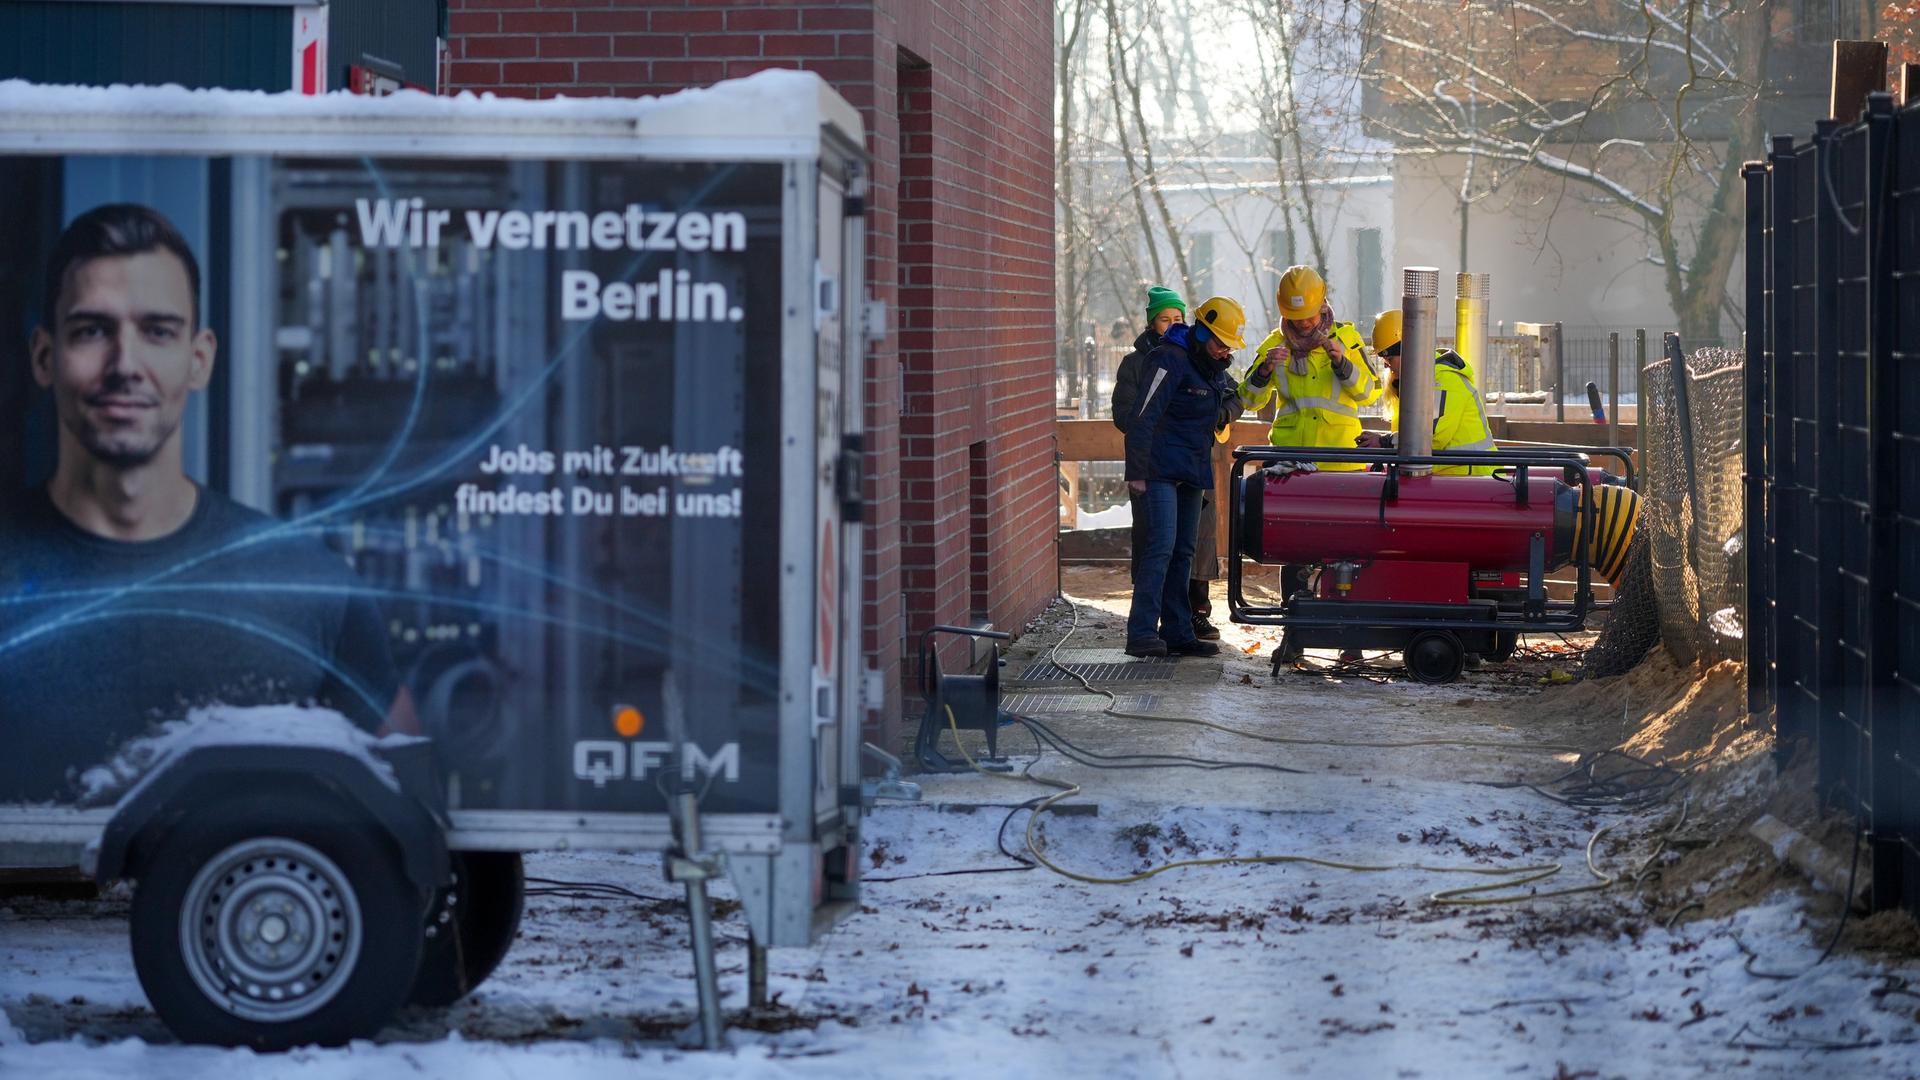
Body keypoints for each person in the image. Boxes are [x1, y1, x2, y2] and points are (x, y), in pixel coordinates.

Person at [0, 203, 415, 803]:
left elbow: (411, 833)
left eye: (158, 332)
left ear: (199, 359)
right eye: (92, 330)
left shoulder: (311, 590)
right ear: (45, 357)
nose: (126, 366)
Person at [1121, 295, 1245, 659]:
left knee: (1183, 552)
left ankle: (1178, 632)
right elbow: (1142, 416)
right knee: (1160, 547)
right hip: (1158, 470)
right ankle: (1141, 632)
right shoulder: (1167, 359)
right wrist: (1138, 472)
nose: (1225, 352)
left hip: (1192, 470)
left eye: (1228, 346)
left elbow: (1231, 402)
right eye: (1221, 343)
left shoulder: (1211, 368)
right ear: (1203, 332)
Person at [1236, 265, 1381, 469]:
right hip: (1288, 461)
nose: (1304, 323)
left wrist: (1343, 364)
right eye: (1297, 317)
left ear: (1322, 304)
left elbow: (1371, 394)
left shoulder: (1347, 340)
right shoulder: (1274, 345)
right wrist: (1263, 372)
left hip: (1339, 461)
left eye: (1309, 315)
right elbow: (1247, 401)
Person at [1354, 309, 1498, 475]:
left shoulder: (1444, 380)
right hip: (1457, 479)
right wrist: (1384, 441)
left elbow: (1432, 437)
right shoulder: (1420, 383)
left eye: (1389, 359)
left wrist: (1384, 442)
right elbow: (1414, 436)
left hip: (1476, 482)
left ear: (1408, 350)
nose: (1387, 366)